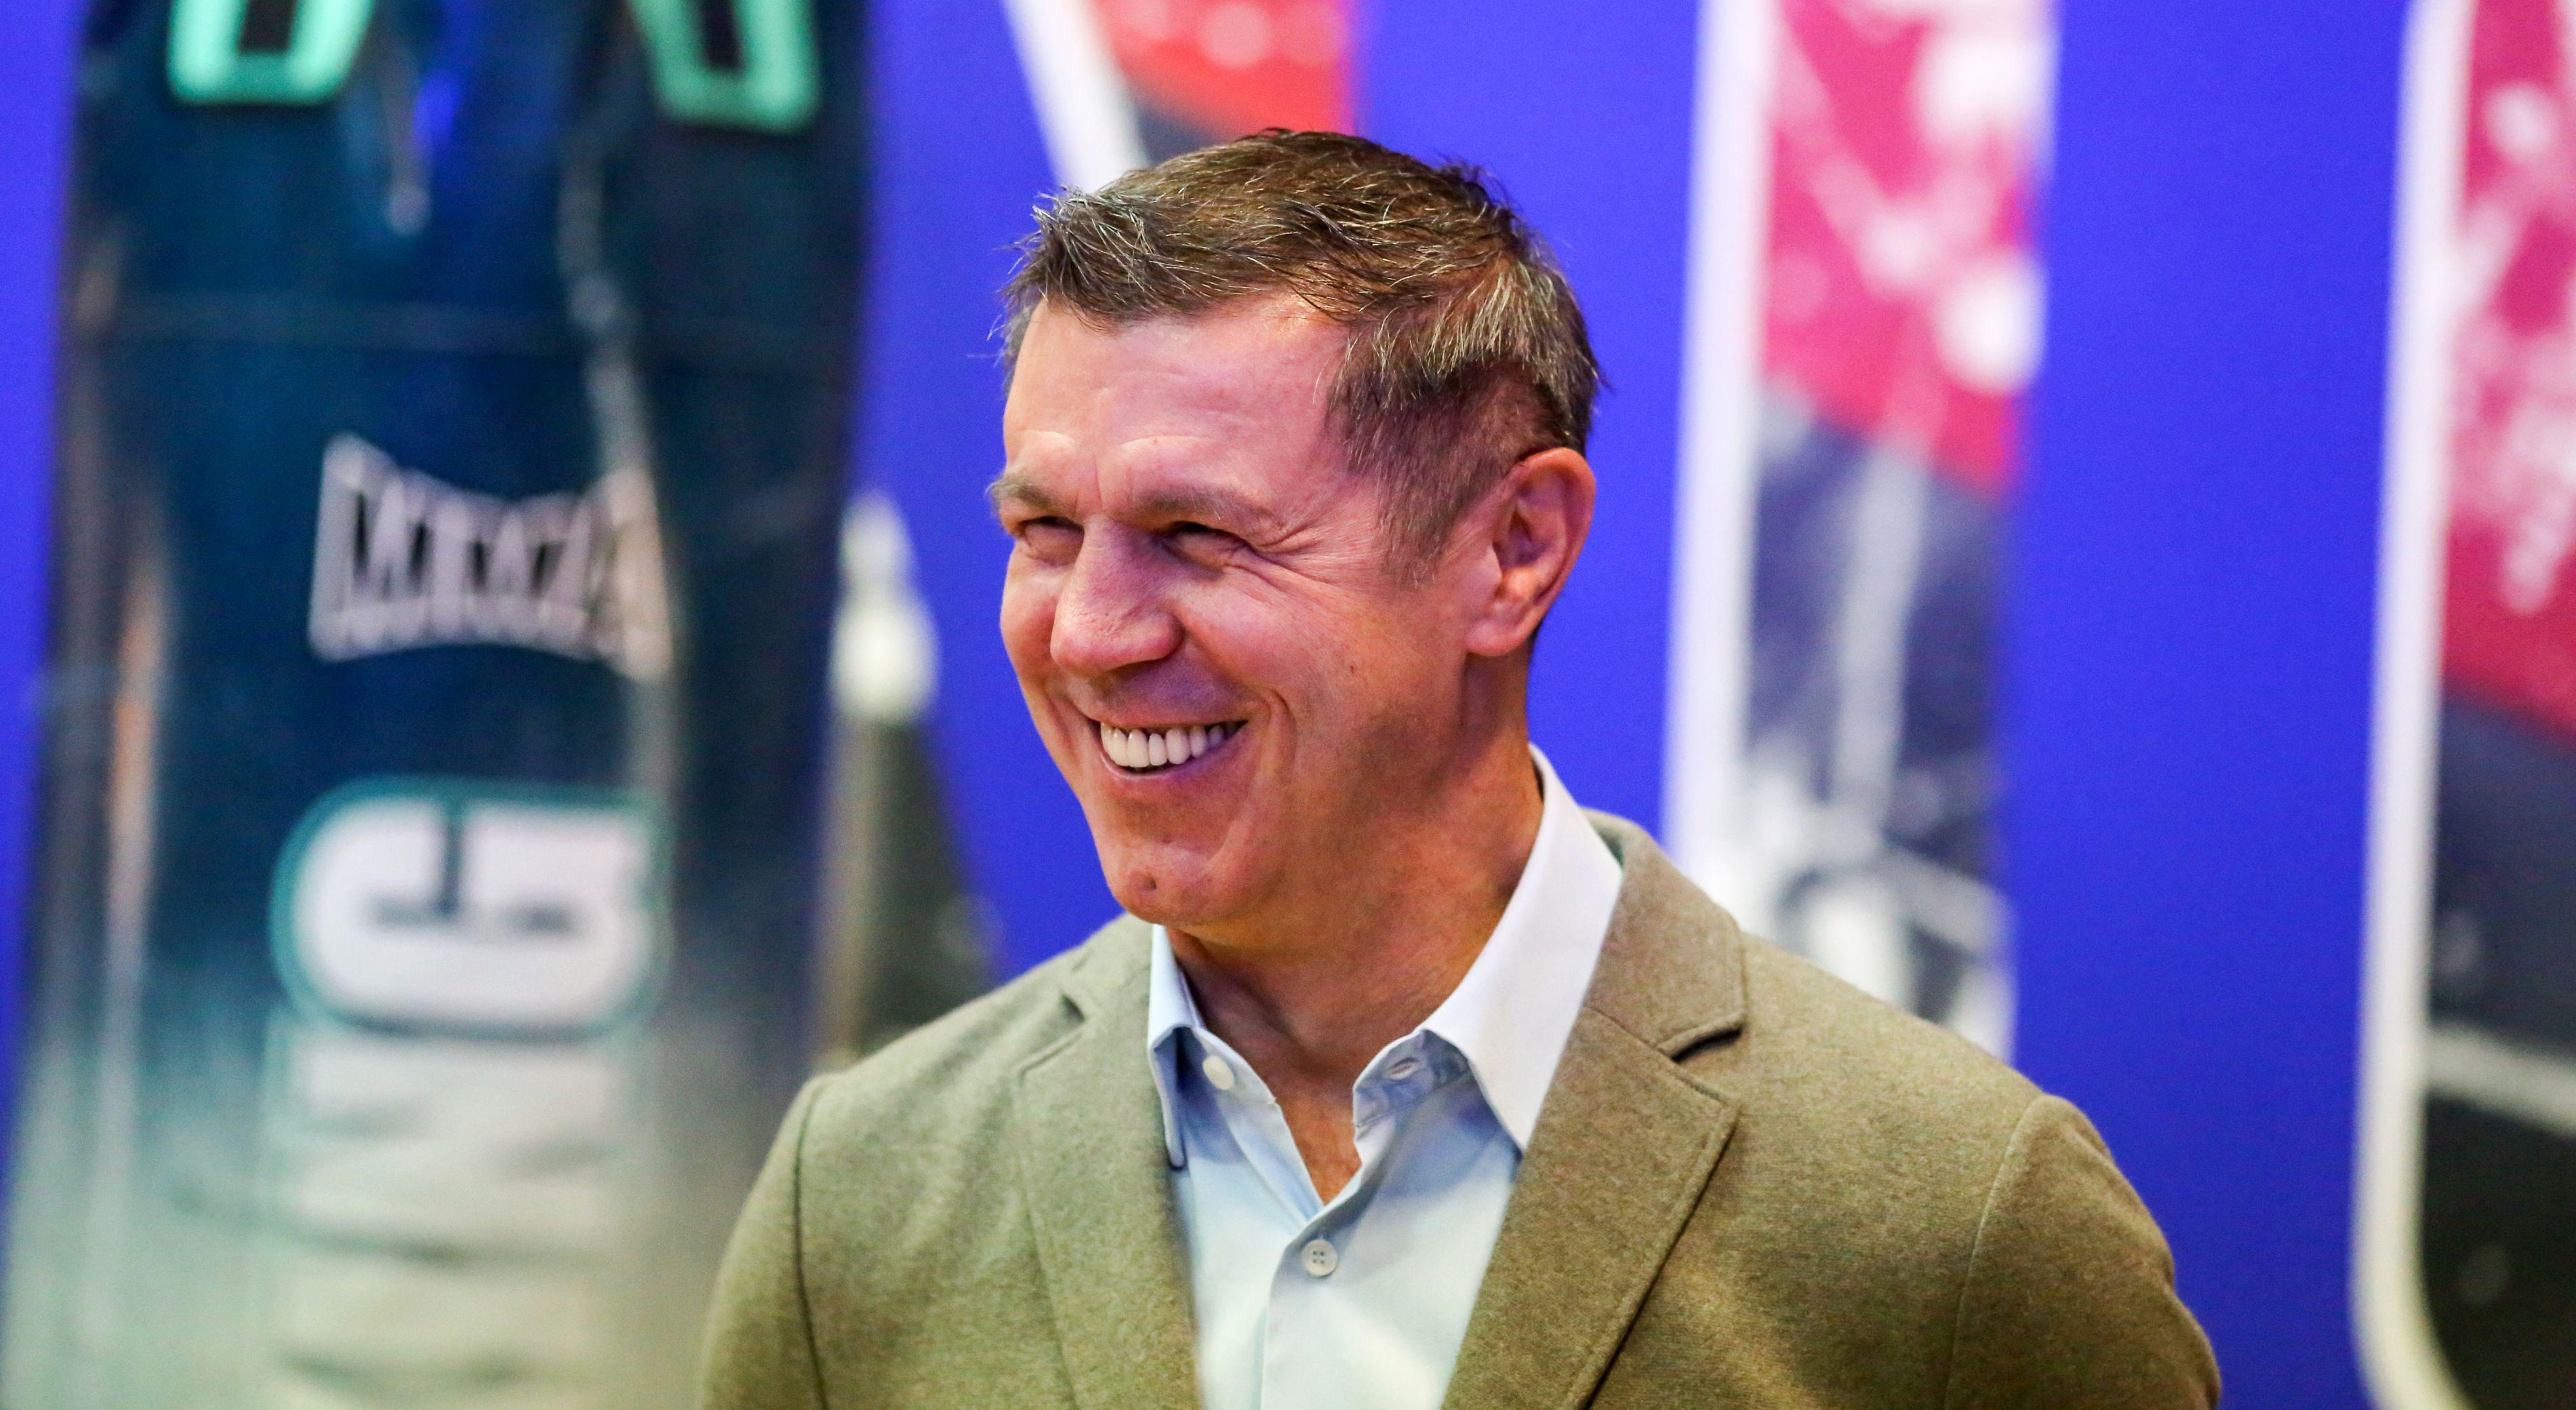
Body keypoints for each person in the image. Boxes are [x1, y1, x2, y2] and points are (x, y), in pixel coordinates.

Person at [698, 131, 2220, 1409]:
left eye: (1198, 535)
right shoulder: (862, 1196)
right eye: (1044, 530)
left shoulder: (1958, 1225)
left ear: (1514, 548)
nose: (1089, 632)